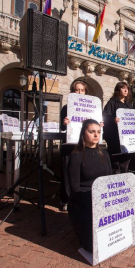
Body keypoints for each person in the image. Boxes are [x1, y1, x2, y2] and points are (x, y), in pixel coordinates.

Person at [67, 119, 112, 253]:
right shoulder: (76, 156)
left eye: (98, 132)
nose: (96, 135)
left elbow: (109, 180)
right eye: (91, 132)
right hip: (83, 202)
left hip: (103, 199)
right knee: (93, 247)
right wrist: (94, 203)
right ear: (83, 133)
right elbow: (74, 189)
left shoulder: (105, 154)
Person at [59, 80, 90, 211]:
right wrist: (64, 124)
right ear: (72, 91)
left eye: (82, 90)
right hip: (70, 146)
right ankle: (66, 200)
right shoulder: (66, 108)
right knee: (68, 174)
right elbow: (61, 128)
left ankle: (80, 197)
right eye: (77, 90)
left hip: (84, 146)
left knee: (81, 173)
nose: (79, 92)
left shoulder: (90, 108)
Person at [103, 82, 134, 174]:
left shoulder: (129, 105)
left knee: (125, 164)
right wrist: (113, 120)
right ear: (118, 90)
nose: (125, 90)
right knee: (115, 165)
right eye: (123, 88)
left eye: (127, 89)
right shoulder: (111, 103)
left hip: (126, 139)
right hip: (115, 138)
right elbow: (105, 117)